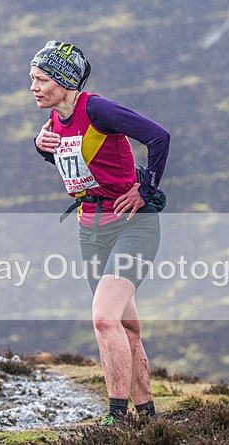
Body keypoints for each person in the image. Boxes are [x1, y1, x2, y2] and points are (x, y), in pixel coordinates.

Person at [29, 41, 170, 424]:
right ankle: (148, 417)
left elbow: (159, 137)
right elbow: (76, 159)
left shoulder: (97, 109)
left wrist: (146, 190)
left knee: (105, 319)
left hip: (133, 226)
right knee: (126, 327)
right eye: (32, 79)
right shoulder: (55, 118)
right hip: (90, 230)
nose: (33, 87)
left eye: (41, 79)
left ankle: (116, 420)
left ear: (64, 81)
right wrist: (41, 147)